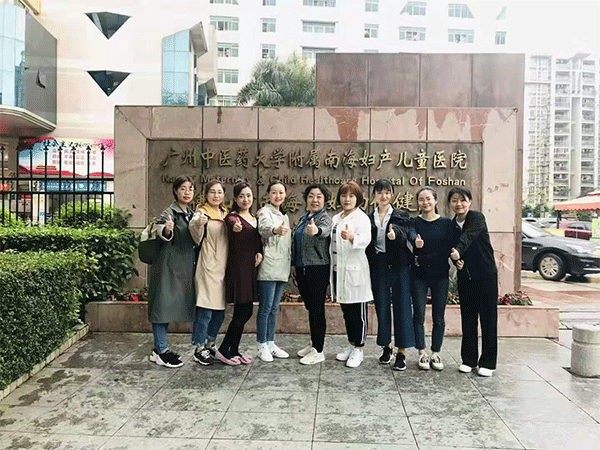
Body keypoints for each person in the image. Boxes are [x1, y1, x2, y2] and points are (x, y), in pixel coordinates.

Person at [148, 175, 198, 368]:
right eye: (183, 188)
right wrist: (167, 230)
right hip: (167, 267)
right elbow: (161, 230)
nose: (187, 192)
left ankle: (159, 348)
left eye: (190, 189)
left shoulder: (191, 213)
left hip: (182, 268)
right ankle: (161, 351)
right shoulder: (169, 212)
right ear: (175, 191)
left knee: (168, 307)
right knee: (162, 307)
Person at [448, 186, 498, 377]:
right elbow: (451, 247)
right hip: (466, 276)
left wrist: (458, 252)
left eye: (463, 200)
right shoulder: (452, 224)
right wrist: (456, 260)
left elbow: (468, 237)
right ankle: (468, 360)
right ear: (450, 203)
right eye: (454, 200)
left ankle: (488, 363)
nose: (459, 204)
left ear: (469, 202)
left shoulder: (477, 218)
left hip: (485, 275)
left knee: (488, 319)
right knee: (468, 319)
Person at [366, 179, 416, 371]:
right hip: (378, 264)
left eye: (387, 192)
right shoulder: (369, 216)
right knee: (382, 306)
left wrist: (395, 235)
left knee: (402, 306)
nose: (384, 196)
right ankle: (386, 347)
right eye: (380, 192)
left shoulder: (400, 214)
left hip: (399, 265)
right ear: (374, 195)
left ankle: (401, 352)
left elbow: (404, 231)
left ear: (392, 195)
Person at [216, 181, 263, 366]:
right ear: (235, 199)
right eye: (241, 196)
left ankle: (233, 350)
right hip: (238, 269)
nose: (246, 199)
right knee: (242, 312)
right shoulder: (232, 218)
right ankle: (223, 350)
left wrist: (259, 252)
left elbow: (257, 241)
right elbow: (232, 227)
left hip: (250, 269)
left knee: (245, 311)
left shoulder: (254, 217)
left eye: (249, 196)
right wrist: (235, 228)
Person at [330, 181, 373, 368]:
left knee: (358, 313)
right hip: (339, 271)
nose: (347, 199)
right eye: (343, 195)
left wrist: (352, 237)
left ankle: (359, 349)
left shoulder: (362, 218)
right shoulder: (336, 218)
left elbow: (366, 240)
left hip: (356, 271)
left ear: (358, 198)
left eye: (351, 196)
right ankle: (351, 344)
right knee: (347, 312)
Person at [412, 186, 455, 371]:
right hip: (419, 275)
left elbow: (454, 245)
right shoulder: (414, 222)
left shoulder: (446, 223)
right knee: (419, 315)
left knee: (439, 316)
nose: (425, 202)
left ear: (435, 200)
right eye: (421, 199)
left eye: (428, 199)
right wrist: (416, 244)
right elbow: (410, 240)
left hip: (440, 275)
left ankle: (436, 352)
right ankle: (422, 352)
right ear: (418, 202)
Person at [189, 180, 228, 366]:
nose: (216, 195)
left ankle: (211, 343)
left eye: (219, 192)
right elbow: (195, 235)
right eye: (212, 192)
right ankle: (199, 348)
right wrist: (198, 224)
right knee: (205, 310)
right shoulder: (201, 213)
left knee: (220, 311)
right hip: (207, 265)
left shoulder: (226, 213)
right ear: (206, 195)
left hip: (224, 267)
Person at [293, 184, 333, 365]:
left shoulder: (324, 218)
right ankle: (313, 343)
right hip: (302, 268)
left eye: (319, 196)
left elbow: (324, 231)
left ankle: (319, 350)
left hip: (318, 268)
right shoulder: (304, 217)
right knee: (310, 307)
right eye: (311, 196)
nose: (314, 200)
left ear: (324, 200)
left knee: (317, 309)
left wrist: (316, 231)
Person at [256, 181, 292, 362]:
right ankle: (261, 344)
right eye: (274, 192)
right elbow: (263, 229)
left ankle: (271, 342)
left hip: (282, 268)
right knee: (265, 308)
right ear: (268, 194)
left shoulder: (284, 215)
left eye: (281, 192)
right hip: (269, 267)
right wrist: (275, 230)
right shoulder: (264, 212)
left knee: (274, 308)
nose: (278, 196)